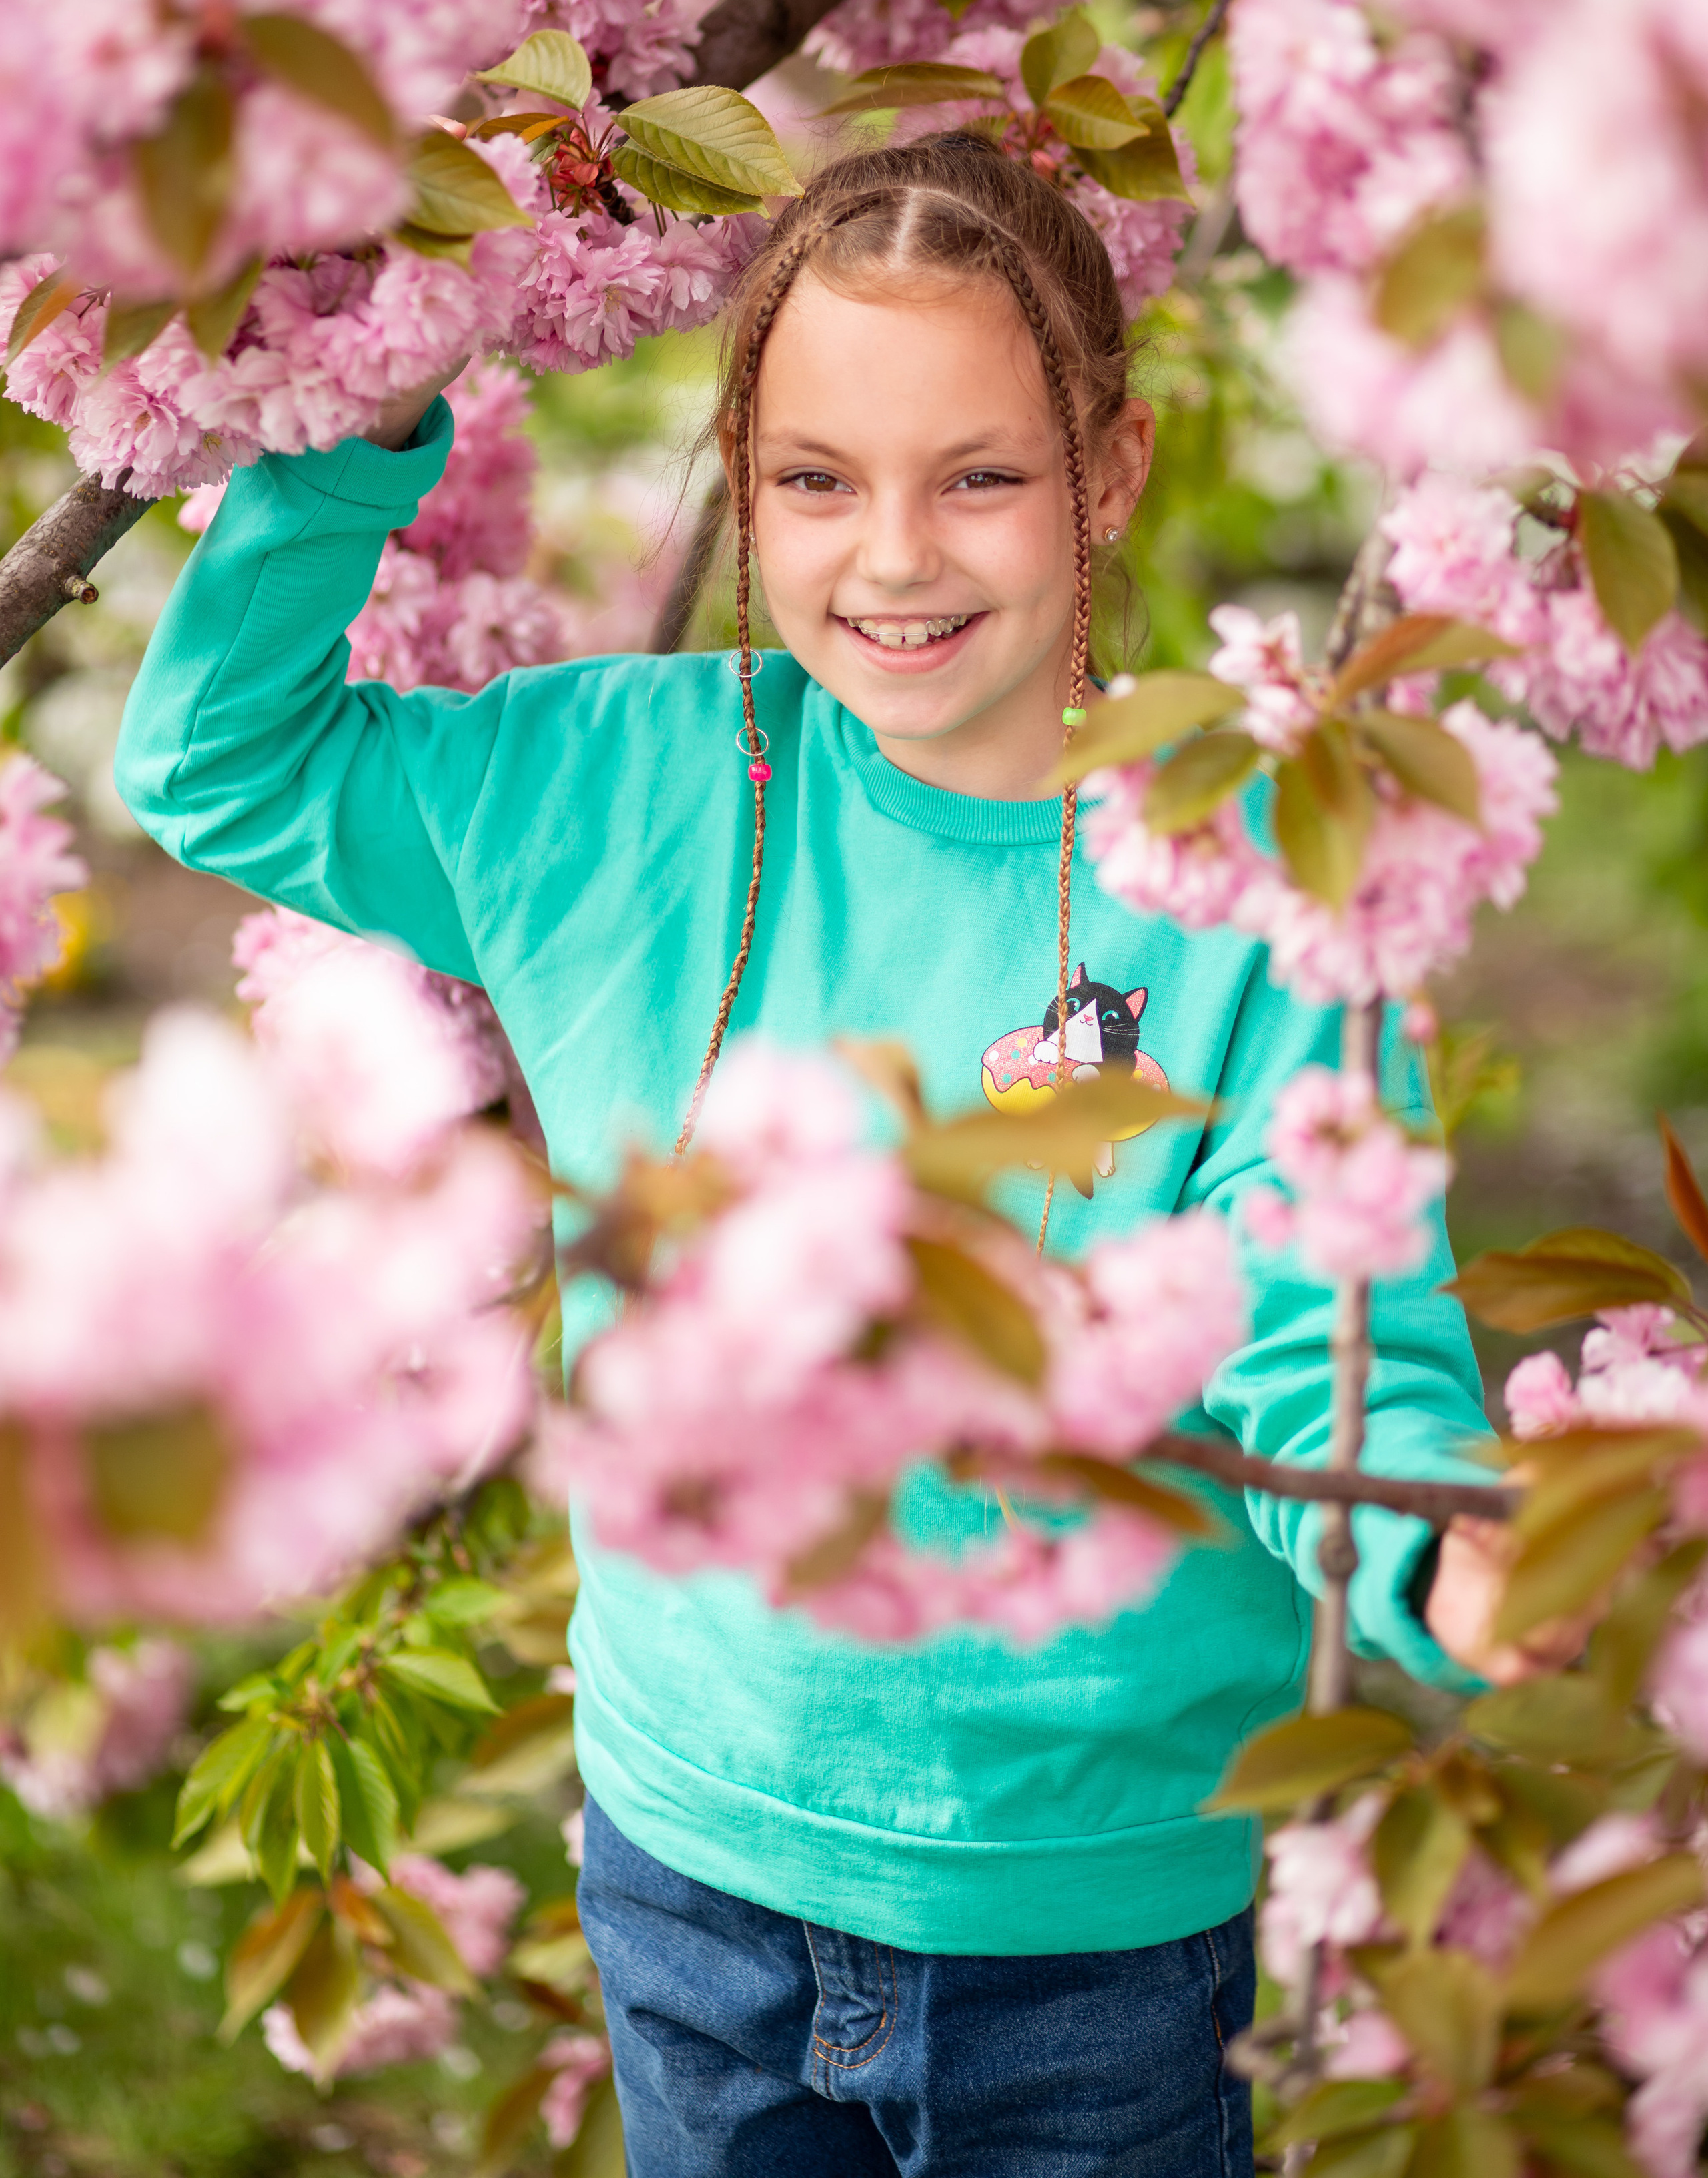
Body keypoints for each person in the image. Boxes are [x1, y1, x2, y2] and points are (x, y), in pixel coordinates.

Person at [117, 134, 1521, 2178]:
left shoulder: (1230, 897)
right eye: (815, 481)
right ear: (741, 481)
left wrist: (1442, 1548)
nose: (893, 559)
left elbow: (1321, 1339)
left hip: (1095, 1938)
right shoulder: (607, 787)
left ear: (1109, 472)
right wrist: (365, 397)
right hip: (693, 1873)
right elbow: (219, 763)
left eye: (979, 476)